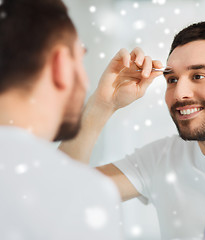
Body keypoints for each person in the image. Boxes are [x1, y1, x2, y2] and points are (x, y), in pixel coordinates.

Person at [60, 22, 205, 239]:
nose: (179, 93)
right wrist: (102, 104)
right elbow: (60, 192)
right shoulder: (161, 160)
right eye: (172, 79)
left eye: (198, 76)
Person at [0, 0, 162, 239]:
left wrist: (102, 105)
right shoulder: (86, 197)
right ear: (61, 64)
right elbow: (59, 193)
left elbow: (51, 189)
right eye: (80, 57)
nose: (86, 80)